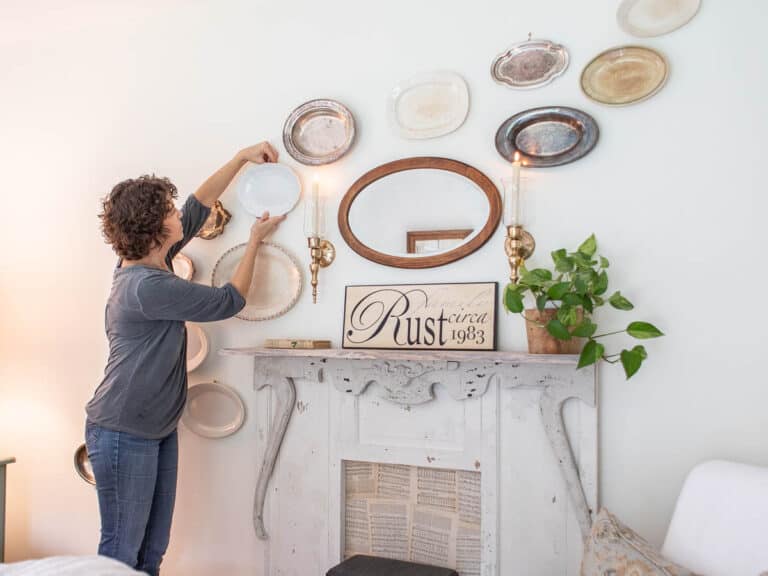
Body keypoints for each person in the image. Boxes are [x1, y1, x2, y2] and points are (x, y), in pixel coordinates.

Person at [84, 142, 285, 575]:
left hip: (154, 426)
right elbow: (229, 300)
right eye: (169, 211)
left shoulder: (153, 260)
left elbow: (199, 204)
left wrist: (241, 158)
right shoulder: (146, 286)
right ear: (156, 228)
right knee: (122, 553)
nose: (179, 214)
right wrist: (254, 241)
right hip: (123, 429)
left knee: (152, 551)